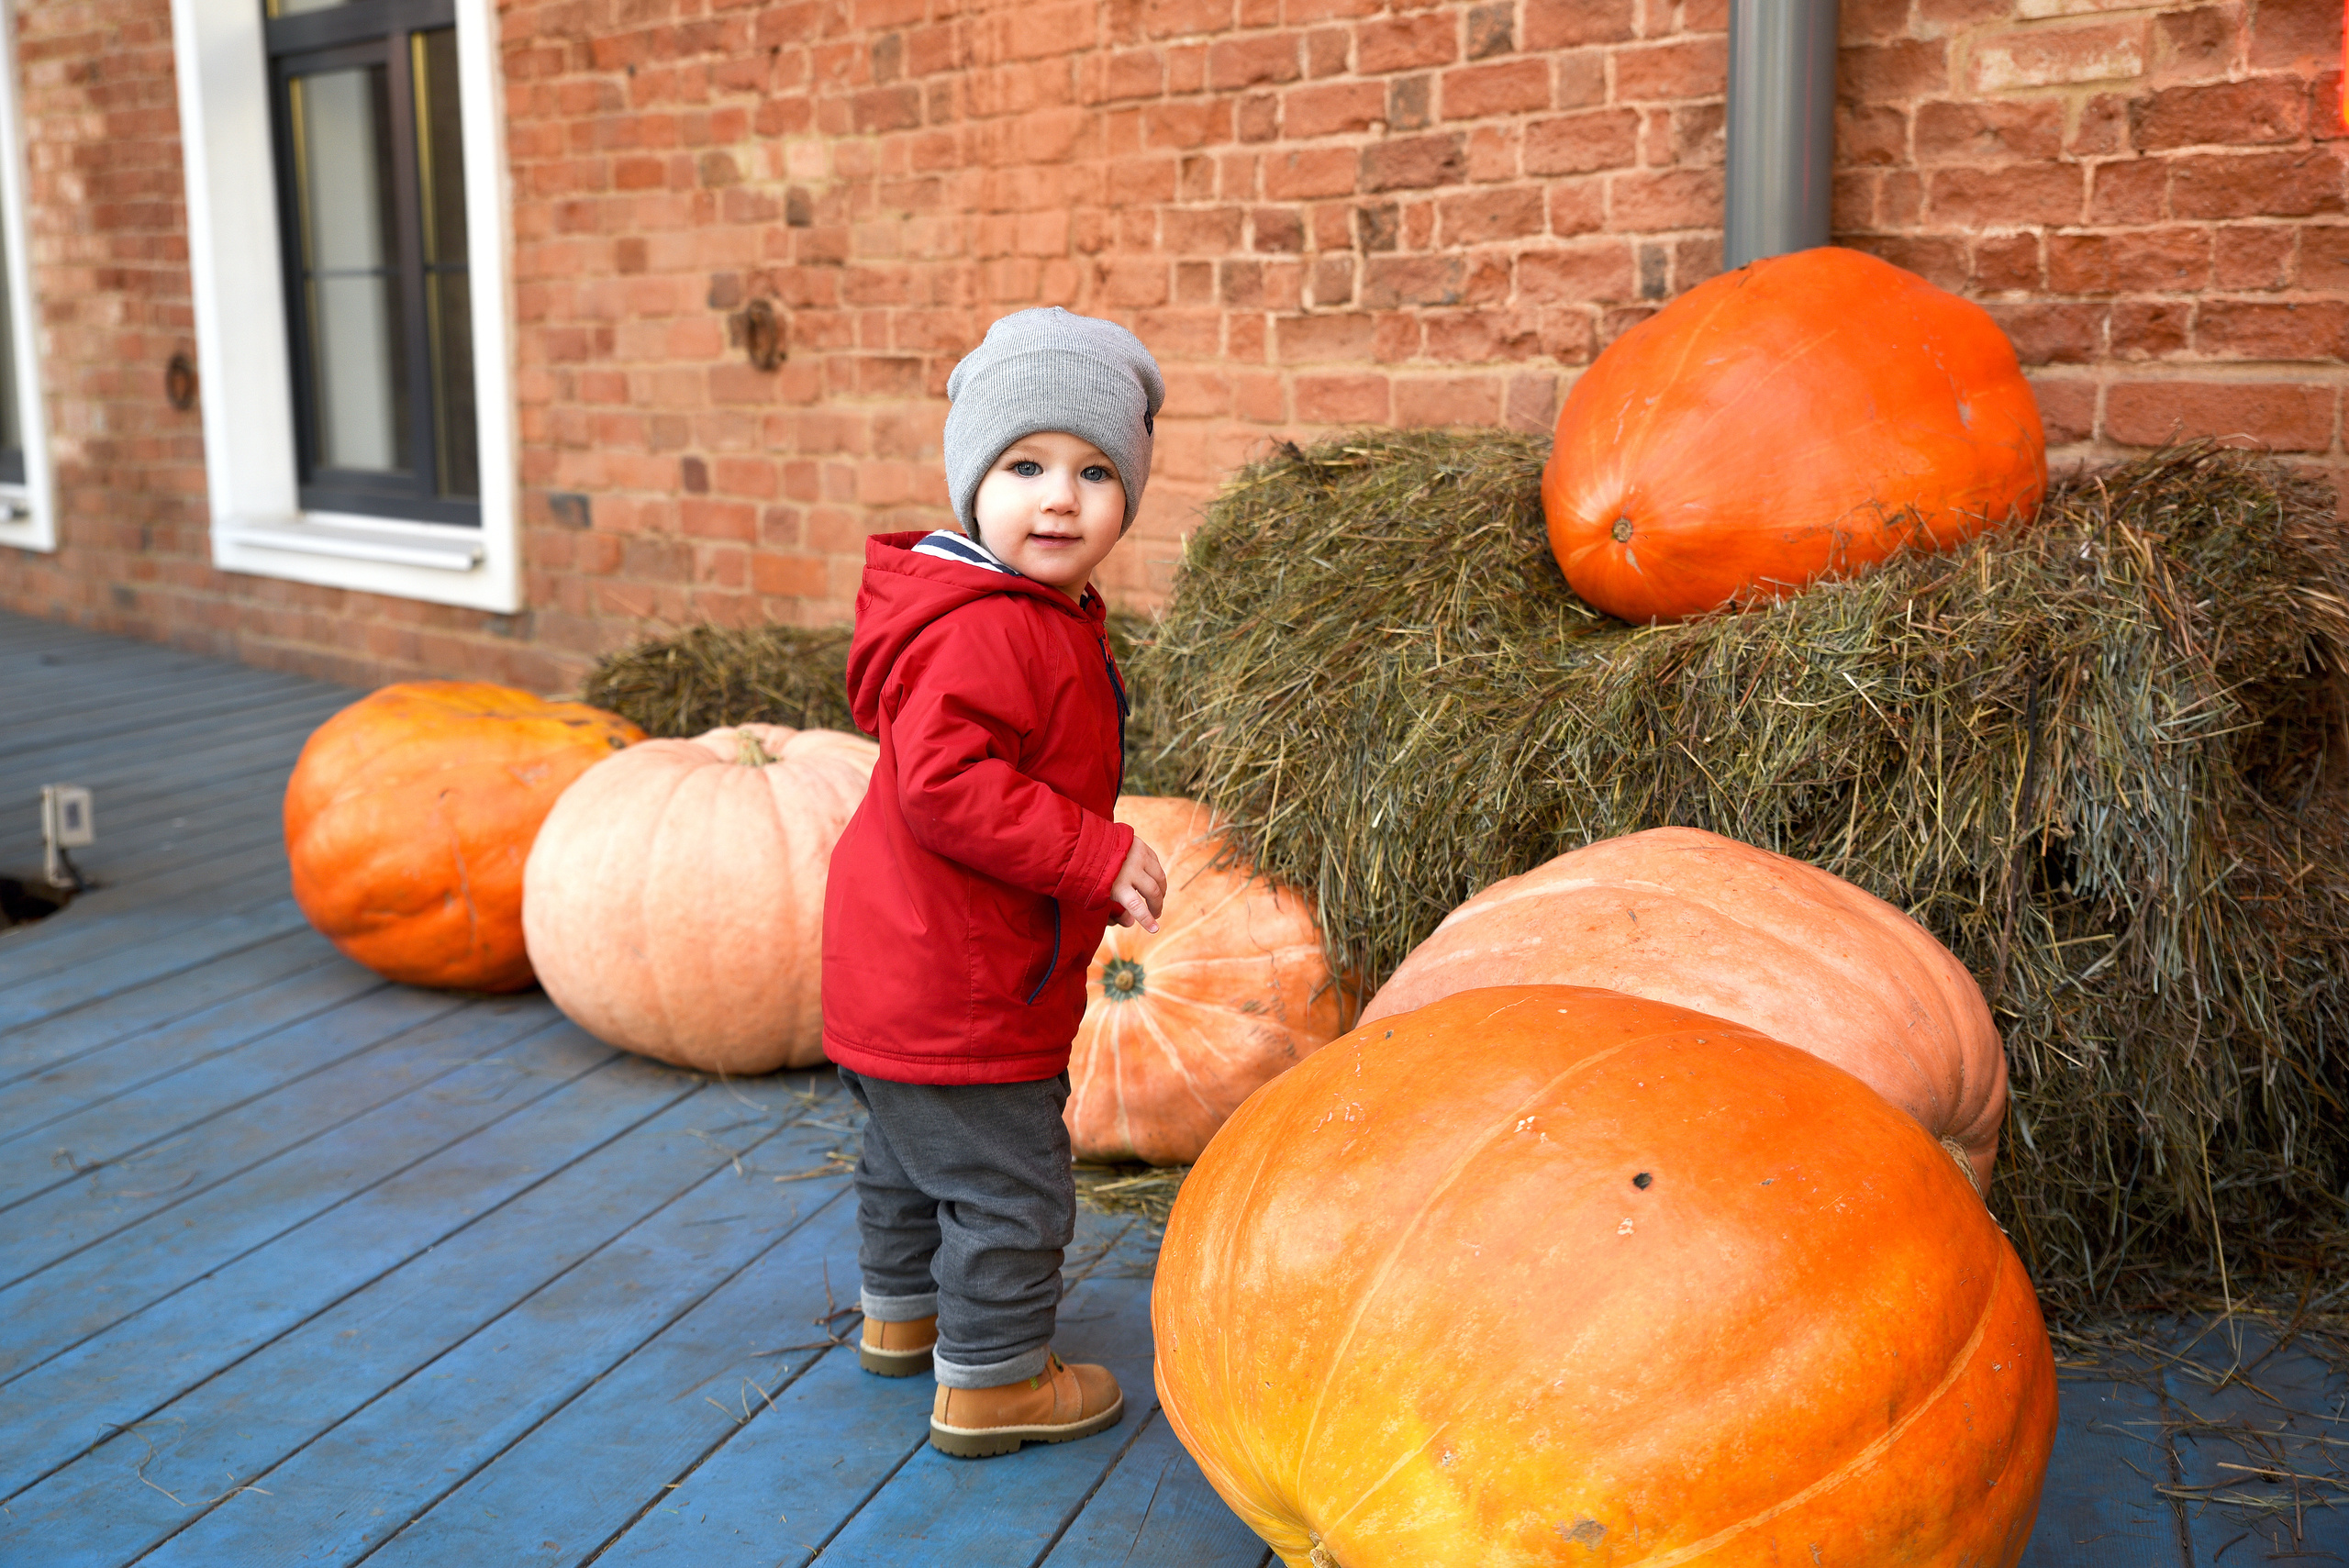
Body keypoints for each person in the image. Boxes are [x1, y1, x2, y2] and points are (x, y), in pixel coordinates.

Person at [820, 307, 1169, 1460]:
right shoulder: (987, 630)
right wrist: (1093, 852)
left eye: (1094, 469)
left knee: (912, 1163)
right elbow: (945, 786)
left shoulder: (1022, 611)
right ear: (973, 480)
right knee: (1013, 1187)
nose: (1059, 497)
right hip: (961, 978)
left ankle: (904, 1318)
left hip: (900, 968)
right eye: (1024, 466)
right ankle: (996, 1383)